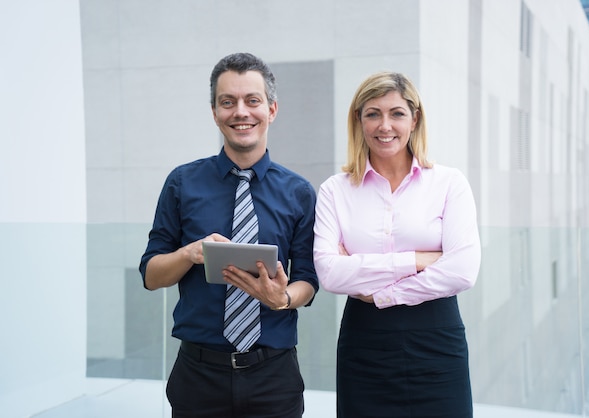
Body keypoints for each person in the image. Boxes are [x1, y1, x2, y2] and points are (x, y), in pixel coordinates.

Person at [139, 52, 318, 418]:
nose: (240, 112)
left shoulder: (299, 192)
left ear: (271, 110)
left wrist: (282, 298)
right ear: (214, 112)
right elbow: (151, 275)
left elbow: (309, 281)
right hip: (198, 375)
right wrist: (188, 254)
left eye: (252, 101)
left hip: (274, 375)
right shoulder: (181, 183)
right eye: (227, 102)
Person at [313, 71, 481, 418]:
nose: (384, 125)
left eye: (397, 113)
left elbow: (462, 272)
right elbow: (330, 274)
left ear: (414, 119)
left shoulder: (449, 183)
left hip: (437, 343)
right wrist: (419, 259)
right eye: (372, 113)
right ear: (358, 121)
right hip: (364, 346)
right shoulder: (335, 190)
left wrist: (378, 292)